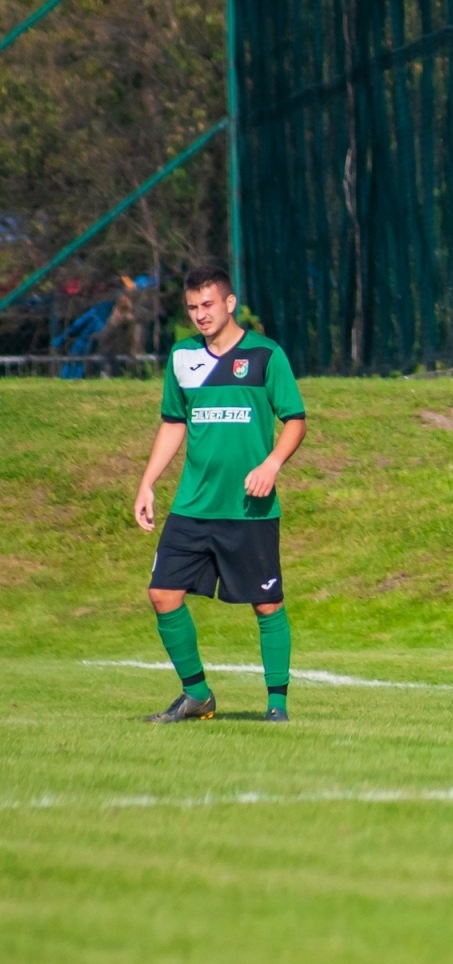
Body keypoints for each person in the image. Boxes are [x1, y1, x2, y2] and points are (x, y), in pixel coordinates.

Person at [135, 266, 307, 721]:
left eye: (207, 304)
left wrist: (272, 464)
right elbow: (173, 423)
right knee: (163, 594)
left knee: (267, 603)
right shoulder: (181, 358)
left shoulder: (267, 355)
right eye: (192, 307)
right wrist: (147, 482)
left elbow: (295, 420)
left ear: (230, 303)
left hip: (249, 509)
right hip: (193, 506)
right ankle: (197, 695)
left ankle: (277, 705)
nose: (200, 315)